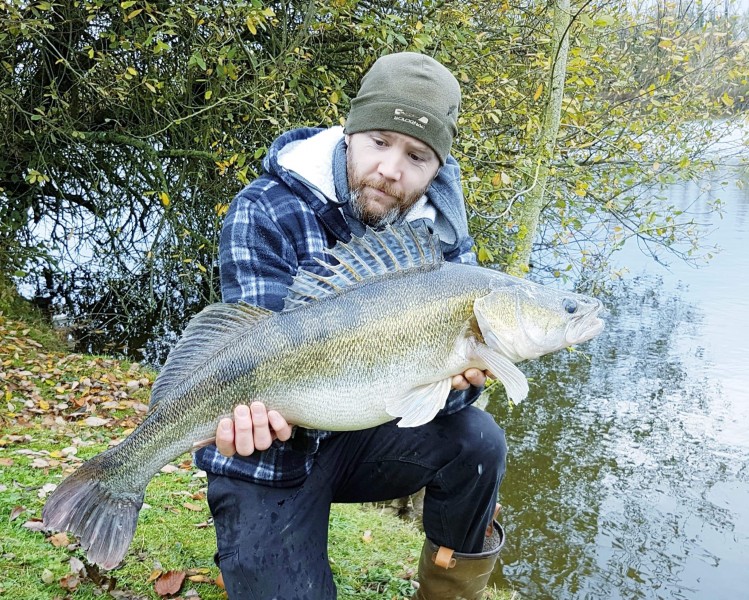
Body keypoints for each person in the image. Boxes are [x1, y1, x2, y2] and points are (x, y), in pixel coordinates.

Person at [194, 52, 507, 600]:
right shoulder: (264, 208)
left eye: (417, 156)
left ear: (437, 169)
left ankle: (448, 591)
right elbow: (252, 349)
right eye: (379, 141)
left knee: (479, 441)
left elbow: (446, 399)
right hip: (267, 452)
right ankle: (124, 476)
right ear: (349, 133)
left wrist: (458, 380)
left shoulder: (443, 233)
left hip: (360, 429)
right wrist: (247, 416)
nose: (391, 169)